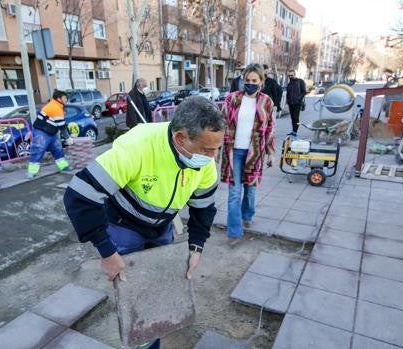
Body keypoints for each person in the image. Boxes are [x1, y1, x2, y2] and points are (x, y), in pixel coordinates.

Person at [63, 96, 224, 349]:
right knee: (134, 295)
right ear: (181, 138)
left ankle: (152, 340)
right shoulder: (139, 145)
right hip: (124, 224)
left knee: (159, 288)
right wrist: (107, 252)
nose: (212, 158)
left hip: (161, 227)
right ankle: (139, 341)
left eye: (217, 149)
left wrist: (196, 246)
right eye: (206, 150)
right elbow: (79, 196)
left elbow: (203, 208)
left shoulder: (204, 163)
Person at [220, 63, 275, 243]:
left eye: (254, 80)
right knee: (234, 192)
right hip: (233, 152)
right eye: (247, 80)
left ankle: (247, 214)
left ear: (261, 81)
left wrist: (271, 152)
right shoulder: (232, 99)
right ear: (242, 80)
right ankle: (234, 232)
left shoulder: (266, 101)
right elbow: (220, 124)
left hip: (255, 153)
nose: (250, 83)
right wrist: (214, 150)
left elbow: (270, 129)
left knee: (250, 190)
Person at [27, 90, 71, 178]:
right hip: (42, 131)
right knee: (38, 149)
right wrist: (68, 138)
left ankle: (63, 166)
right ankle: (31, 172)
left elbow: (61, 124)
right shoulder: (56, 108)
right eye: (65, 98)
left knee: (58, 149)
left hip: (50, 132)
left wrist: (68, 136)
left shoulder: (56, 105)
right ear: (59, 99)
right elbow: (62, 126)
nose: (66, 100)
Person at [285, 69, 306, 137]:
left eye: (292, 75)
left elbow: (304, 92)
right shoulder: (289, 84)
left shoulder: (300, 81)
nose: (290, 76)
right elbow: (288, 93)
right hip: (290, 104)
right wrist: (287, 101)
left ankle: (295, 132)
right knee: (292, 118)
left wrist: (299, 99)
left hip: (297, 103)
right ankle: (293, 131)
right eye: (289, 75)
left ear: (295, 74)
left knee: (296, 118)